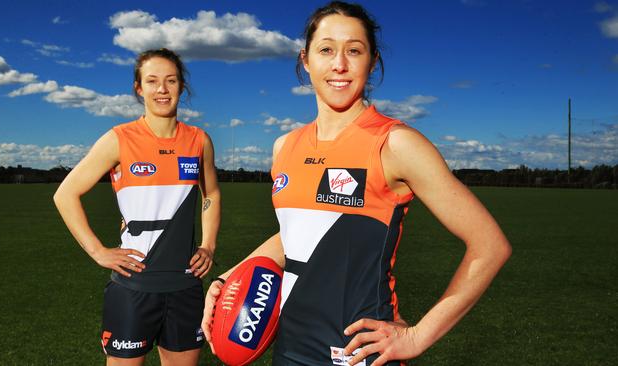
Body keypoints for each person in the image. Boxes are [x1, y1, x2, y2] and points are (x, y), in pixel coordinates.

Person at [202, 2, 511, 366]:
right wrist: (228, 278)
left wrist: (417, 336)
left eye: (354, 50)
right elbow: (297, 235)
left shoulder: (395, 143)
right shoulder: (285, 147)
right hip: (288, 346)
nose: (340, 64)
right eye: (327, 50)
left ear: (373, 61)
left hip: (357, 354)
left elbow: (490, 246)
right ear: (305, 60)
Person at [54, 48, 220, 366]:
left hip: (186, 285)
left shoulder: (199, 140)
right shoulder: (119, 139)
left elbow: (210, 193)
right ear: (138, 88)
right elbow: (65, 194)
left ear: (181, 87)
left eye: (171, 80)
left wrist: (209, 245)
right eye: (153, 81)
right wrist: (97, 251)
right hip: (134, 286)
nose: (162, 89)